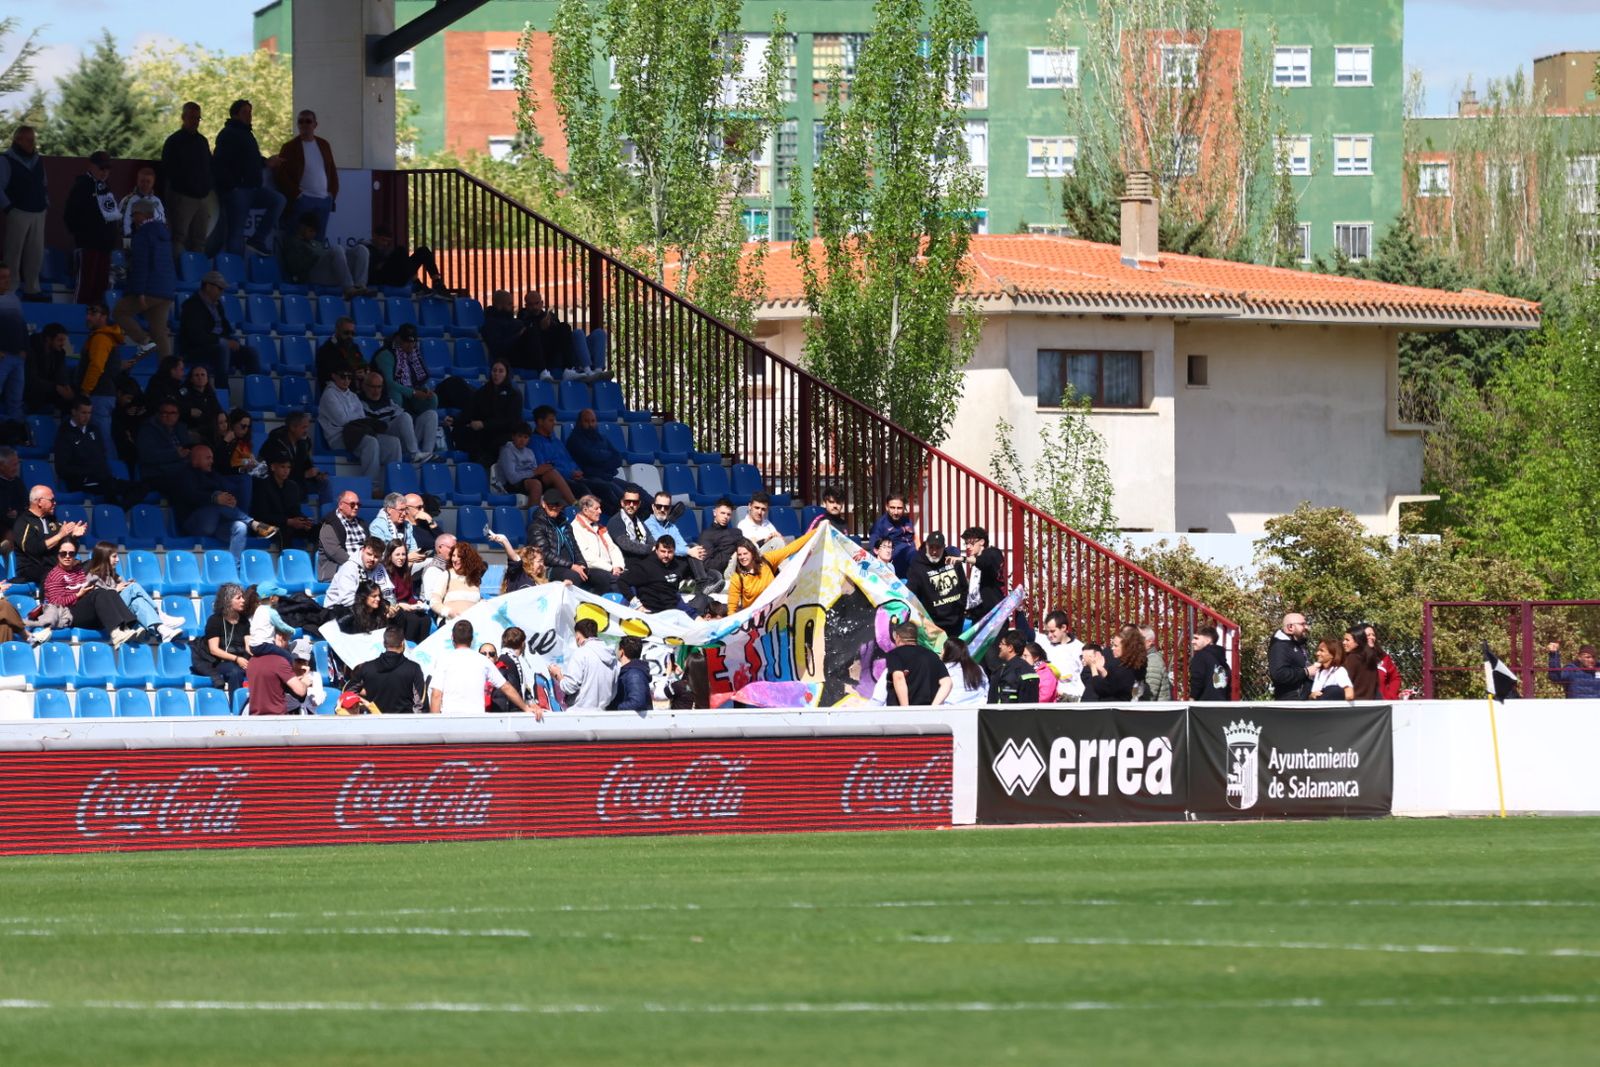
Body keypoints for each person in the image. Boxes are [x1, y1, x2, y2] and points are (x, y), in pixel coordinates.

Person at [170, 444, 276, 557]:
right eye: (208, 458)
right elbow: (190, 495)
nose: (212, 461)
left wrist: (230, 500)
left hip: (217, 524)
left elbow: (224, 490)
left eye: (212, 458)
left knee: (240, 527)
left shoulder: (212, 474)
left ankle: (235, 567)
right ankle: (252, 522)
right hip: (194, 523)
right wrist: (214, 498)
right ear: (196, 459)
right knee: (217, 505)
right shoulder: (184, 474)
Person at [211, 99, 285, 257]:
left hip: (252, 188)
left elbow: (252, 159)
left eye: (250, 112)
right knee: (236, 233)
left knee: (278, 200)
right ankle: (234, 273)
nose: (249, 115)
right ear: (235, 114)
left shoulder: (247, 134)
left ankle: (258, 239)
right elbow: (219, 162)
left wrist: (266, 162)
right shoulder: (227, 134)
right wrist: (232, 187)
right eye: (245, 112)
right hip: (238, 191)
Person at [43, 539, 150, 647]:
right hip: (69, 614)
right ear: (57, 555)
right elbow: (55, 603)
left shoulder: (78, 570)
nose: (67, 556)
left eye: (71, 553)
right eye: (63, 553)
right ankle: (116, 633)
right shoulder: (54, 576)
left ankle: (129, 626)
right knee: (99, 593)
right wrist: (77, 595)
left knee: (109, 592)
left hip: (88, 614)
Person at [429, 619, 539, 716]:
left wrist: (435, 724)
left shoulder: (444, 660)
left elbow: (436, 695)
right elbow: (506, 687)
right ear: (472, 639)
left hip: (450, 719)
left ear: (452, 637)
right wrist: (526, 708)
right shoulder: (483, 661)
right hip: (477, 720)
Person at [84, 541, 185, 642]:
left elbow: (123, 593)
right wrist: (115, 590)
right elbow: (96, 601)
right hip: (105, 616)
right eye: (114, 557)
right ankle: (160, 616)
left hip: (120, 610)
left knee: (138, 601)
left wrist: (126, 584)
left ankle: (163, 631)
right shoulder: (92, 577)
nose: (118, 560)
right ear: (104, 557)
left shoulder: (113, 576)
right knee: (134, 587)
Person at [318, 368, 399, 494]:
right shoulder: (328, 395)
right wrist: (355, 419)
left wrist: (355, 420)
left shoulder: (352, 395)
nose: (346, 380)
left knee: (393, 443)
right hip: (338, 437)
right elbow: (342, 420)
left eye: (349, 377)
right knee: (370, 443)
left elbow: (360, 418)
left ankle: (394, 487)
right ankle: (372, 487)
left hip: (357, 432)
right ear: (334, 376)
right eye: (343, 376)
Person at [178, 271, 261, 392]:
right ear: (208, 286)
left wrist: (230, 340)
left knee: (251, 352)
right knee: (223, 348)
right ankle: (222, 391)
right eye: (219, 288)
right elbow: (196, 336)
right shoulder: (192, 305)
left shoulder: (217, 305)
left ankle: (255, 392)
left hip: (217, 347)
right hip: (197, 349)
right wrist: (222, 341)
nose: (222, 292)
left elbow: (225, 328)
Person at [55, 398, 145, 509]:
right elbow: (61, 468)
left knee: (140, 487)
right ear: (74, 412)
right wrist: (87, 472)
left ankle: (120, 511)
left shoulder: (93, 429)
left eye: (89, 413)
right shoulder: (65, 433)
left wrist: (101, 472)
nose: (87, 416)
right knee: (110, 489)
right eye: (83, 412)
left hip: (102, 478)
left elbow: (101, 455)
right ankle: (115, 514)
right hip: (82, 481)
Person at [76, 301, 136, 454]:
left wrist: (86, 390)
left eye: (93, 314)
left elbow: (96, 366)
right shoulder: (106, 337)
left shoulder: (100, 338)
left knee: (101, 439)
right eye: (87, 314)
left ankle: (112, 472)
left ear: (104, 317)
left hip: (98, 395)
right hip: (105, 394)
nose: (88, 317)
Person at [529, 405, 616, 511]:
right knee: (584, 490)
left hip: (575, 477)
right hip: (559, 481)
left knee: (603, 487)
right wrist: (570, 473)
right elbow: (544, 467)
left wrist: (577, 470)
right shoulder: (534, 442)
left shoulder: (556, 440)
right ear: (540, 422)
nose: (555, 423)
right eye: (550, 420)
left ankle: (617, 515)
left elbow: (569, 459)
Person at [64, 150, 121, 305]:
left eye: (107, 169)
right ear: (91, 166)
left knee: (101, 286)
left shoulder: (105, 187)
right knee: (85, 285)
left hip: (105, 245)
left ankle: (97, 320)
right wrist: (83, 236)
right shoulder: (82, 185)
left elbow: (111, 214)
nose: (104, 172)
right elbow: (70, 214)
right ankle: (79, 317)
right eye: (101, 168)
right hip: (88, 245)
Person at [0, 126, 48, 300]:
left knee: (36, 253)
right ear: (17, 140)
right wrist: (8, 208)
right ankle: (9, 288)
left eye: (33, 140)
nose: (32, 143)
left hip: (38, 211)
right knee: (13, 252)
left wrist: (45, 203)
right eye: (28, 140)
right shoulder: (5, 159)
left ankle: (32, 288)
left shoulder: (38, 160)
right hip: (18, 211)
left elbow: (44, 183)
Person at [160, 102, 213, 257]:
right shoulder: (173, 141)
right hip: (182, 197)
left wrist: (207, 186)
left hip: (202, 197)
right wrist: (184, 188)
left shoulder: (202, 141)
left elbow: (209, 165)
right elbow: (169, 169)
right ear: (183, 117)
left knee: (200, 239)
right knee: (179, 237)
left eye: (198, 118)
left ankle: (195, 275)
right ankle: (177, 275)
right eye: (192, 117)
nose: (195, 121)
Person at [275, 109, 339, 238]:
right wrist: (297, 194)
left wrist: (331, 194)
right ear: (298, 124)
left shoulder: (324, 144)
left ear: (315, 124)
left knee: (319, 240)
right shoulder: (289, 147)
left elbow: (331, 170)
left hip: (323, 200)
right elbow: (280, 173)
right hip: (302, 200)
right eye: (301, 121)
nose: (304, 124)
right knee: (294, 237)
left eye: (308, 121)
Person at [523, 489, 598, 589]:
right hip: (549, 568)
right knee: (574, 576)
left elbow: (575, 548)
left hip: (570, 566)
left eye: (558, 505)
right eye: (551, 505)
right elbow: (544, 554)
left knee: (604, 577)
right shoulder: (536, 526)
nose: (554, 508)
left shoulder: (565, 524)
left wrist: (581, 564)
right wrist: (571, 566)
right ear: (543, 504)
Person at [343, 625, 427, 714]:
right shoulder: (414, 668)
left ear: (384, 644)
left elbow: (347, 693)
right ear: (402, 644)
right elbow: (420, 704)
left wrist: (365, 705)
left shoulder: (367, 668)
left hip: (375, 723)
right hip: (404, 724)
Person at [13, 485, 87, 585]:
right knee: (54, 575)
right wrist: (60, 535)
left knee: (93, 567)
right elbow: (33, 549)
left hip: (56, 566)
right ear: (39, 502)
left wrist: (73, 537)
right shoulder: (23, 523)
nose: (55, 503)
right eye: (52, 500)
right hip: (33, 568)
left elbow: (65, 549)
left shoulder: (52, 520)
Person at [360, 370, 437, 465]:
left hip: (404, 441)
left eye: (379, 387)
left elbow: (404, 417)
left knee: (431, 414)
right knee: (404, 417)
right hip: (383, 440)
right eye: (373, 387)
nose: (376, 391)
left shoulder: (387, 401)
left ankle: (427, 455)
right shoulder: (359, 402)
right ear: (364, 386)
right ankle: (414, 454)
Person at [280, 212, 368, 294]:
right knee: (336, 248)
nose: (313, 234)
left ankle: (360, 285)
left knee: (361, 249)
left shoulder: (317, 243)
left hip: (330, 273)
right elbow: (294, 268)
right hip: (311, 275)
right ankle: (349, 288)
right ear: (302, 227)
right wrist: (313, 257)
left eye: (315, 231)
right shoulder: (292, 243)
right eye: (311, 231)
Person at [455, 359, 521, 466]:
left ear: (507, 374)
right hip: (484, 431)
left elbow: (512, 422)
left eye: (501, 371)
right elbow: (470, 410)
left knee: (498, 442)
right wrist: (454, 420)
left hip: (504, 433)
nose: (497, 374)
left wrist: (484, 424)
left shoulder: (514, 394)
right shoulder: (483, 391)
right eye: (494, 371)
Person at [621, 536, 705, 615]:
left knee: (702, 598)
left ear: (674, 551)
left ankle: (702, 586)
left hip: (673, 604)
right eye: (663, 551)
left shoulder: (676, 565)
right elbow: (622, 581)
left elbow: (675, 590)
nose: (666, 555)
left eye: (670, 552)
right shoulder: (646, 567)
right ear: (656, 550)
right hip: (653, 611)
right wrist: (637, 605)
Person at [905, 532, 967, 637]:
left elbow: (963, 586)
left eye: (938, 548)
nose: (934, 551)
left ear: (943, 547)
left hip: (956, 621)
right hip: (934, 625)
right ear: (926, 546)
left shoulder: (952, 560)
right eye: (931, 547)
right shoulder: (917, 565)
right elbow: (912, 595)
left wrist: (962, 607)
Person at [191, 584, 251, 690]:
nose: (243, 600)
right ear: (227, 601)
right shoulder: (215, 620)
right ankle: (237, 705)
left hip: (240, 660)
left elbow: (248, 646)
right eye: (238, 598)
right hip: (219, 662)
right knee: (235, 671)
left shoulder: (244, 621)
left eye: (243, 597)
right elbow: (214, 650)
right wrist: (237, 659)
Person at [643, 491, 711, 584]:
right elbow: (663, 546)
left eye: (666, 507)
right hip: (661, 563)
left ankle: (693, 581)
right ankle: (702, 582)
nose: (662, 510)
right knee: (691, 548)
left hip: (673, 560)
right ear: (653, 507)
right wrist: (689, 551)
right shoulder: (649, 524)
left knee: (715, 574)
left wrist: (693, 551)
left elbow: (682, 544)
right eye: (659, 506)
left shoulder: (671, 526)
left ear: (670, 509)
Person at [260, 411, 329, 501]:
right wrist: (304, 475)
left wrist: (317, 475)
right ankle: (295, 512)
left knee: (324, 482)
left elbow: (307, 465)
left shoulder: (304, 442)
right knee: (294, 486)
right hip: (276, 483)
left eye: (307, 427)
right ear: (292, 427)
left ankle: (326, 512)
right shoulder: (276, 442)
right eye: (304, 427)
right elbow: (277, 472)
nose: (306, 431)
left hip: (298, 480)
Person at [370, 324, 436, 416]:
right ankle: (395, 422)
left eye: (413, 342)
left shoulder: (414, 353)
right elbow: (388, 383)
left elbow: (418, 379)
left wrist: (425, 390)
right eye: (407, 341)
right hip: (385, 393)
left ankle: (423, 426)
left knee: (432, 398)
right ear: (399, 339)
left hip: (408, 393)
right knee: (395, 394)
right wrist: (413, 393)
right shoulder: (386, 354)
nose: (410, 345)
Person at [884, 622, 951, 707]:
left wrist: (905, 709)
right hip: (928, 714)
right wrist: (934, 707)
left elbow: (899, 678)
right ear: (915, 637)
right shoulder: (932, 655)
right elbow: (947, 682)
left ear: (897, 637)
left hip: (901, 715)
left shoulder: (895, 654)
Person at [569, 494, 625, 594]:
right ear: (585, 510)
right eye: (596, 508)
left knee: (633, 575)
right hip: (591, 568)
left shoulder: (599, 526)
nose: (600, 511)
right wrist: (611, 568)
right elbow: (586, 557)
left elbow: (613, 548)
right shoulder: (575, 528)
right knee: (614, 580)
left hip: (610, 567)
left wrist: (618, 566)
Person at [244, 631, 309, 715]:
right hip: (276, 717)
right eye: (287, 640)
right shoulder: (280, 661)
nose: (287, 645)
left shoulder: (252, 661)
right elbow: (301, 691)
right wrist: (304, 682)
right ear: (280, 637)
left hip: (255, 716)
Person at [364, 224, 445, 291]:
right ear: (374, 236)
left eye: (387, 241)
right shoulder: (366, 249)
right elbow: (374, 269)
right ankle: (416, 282)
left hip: (398, 274)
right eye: (383, 240)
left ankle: (437, 282)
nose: (385, 243)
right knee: (400, 250)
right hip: (382, 278)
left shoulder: (386, 250)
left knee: (423, 251)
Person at [565, 408, 627, 492]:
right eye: (586, 421)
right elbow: (591, 457)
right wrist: (607, 455)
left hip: (607, 477)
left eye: (593, 421)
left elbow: (618, 458)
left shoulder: (602, 438)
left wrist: (600, 463)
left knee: (634, 488)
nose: (590, 424)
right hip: (588, 479)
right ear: (580, 423)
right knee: (620, 493)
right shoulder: (574, 440)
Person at [315, 488, 369, 582]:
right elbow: (335, 553)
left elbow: (370, 545)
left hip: (364, 567)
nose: (356, 507)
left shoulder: (362, 524)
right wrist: (357, 565)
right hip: (337, 570)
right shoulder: (329, 525)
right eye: (352, 504)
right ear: (341, 505)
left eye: (358, 504)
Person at [325, 536, 389, 612]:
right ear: (362, 550)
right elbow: (347, 600)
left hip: (368, 607)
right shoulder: (349, 568)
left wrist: (389, 606)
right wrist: (375, 606)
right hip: (338, 609)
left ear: (381, 557)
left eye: (376, 556)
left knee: (399, 615)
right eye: (369, 554)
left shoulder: (380, 568)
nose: (372, 559)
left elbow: (387, 591)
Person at [429, 539, 487, 621]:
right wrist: (449, 612)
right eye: (453, 555)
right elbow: (434, 602)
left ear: (468, 559)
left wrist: (482, 603)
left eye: (459, 556)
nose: (455, 559)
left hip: (472, 623)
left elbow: (473, 600)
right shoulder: (446, 575)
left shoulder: (474, 578)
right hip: (450, 623)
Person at [25, 322, 74, 417]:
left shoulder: (59, 353)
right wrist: (56, 387)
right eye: (60, 340)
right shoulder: (31, 351)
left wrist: (66, 386)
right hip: (31, 392)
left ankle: (70, 429)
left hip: (49, 390)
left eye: (64, 340)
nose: (62, 344)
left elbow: (61, 374)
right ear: (48, 339)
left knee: (75, 398)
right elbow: (31, 380)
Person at [490, 627, 543, 713]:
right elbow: (512, 689)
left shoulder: (508, 658)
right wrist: (525, 707)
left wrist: (531, 703)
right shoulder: (507, 660)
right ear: (522, 644)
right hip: (510, 715)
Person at [960, 527, 1006, 626]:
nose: (968, 547)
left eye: (971, 543)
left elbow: (985, 562)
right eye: (966, 543)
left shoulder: (992, 553)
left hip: (993, 615)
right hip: (977, 615)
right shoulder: (975, 562)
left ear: (981, 541)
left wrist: (963, 559)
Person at [1268, 612, 1314, 701]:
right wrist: (1306, 672)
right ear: (1290, 627)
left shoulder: (1297, 644)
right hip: (1291, 702)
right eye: (1302, 624)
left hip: (1302, 699)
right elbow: (1279, 674)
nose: (1306, 627)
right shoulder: (1279, 646)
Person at [869, 493, 917, 577]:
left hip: (913, 556)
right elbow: (874, 550)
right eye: (892, 508)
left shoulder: (907, 520)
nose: (896, 512)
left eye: (899, 508)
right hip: (896, 561)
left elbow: (916, 538)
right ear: (887, 507)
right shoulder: (880, 525)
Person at [1040, 611, 1083, 702]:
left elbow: (1085, 675)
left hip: (1072, 699)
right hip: (1051, 700)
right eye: (1047, 632)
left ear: (1063, 627)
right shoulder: (1045, 644)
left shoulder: (1078, 648)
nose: (1049, 635)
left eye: (1052, 631)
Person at [246, 580, 296, 657]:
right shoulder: (271, 612)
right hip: (264, 645)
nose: (279, 598)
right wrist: (292, 631)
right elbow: (282, 626)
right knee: (287, 656)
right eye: (277, 596)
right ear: (272, 598)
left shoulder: (259, 610)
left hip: (254, 646)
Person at [987, 630, 1040, 704]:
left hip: (1005, 714)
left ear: (1010, 648)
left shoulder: (1004, 671)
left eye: (1002, 644)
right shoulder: (1029, 669)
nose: (999, 646)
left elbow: (992, 701)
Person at [728, 539, 779, 613]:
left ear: (752, 553)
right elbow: (732, 607)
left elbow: (790, 549)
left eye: (745, 553)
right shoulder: (737, 577)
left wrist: (803, 539)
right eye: (739, 555)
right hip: (753, 617)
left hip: (774, 609)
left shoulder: (766, 561)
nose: (742, 557)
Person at [315, 317, 367, 391]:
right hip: (334, 392)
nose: (350, 336)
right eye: (346, 333)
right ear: (337, 331)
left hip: (353, 391)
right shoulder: (325, 350)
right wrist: (354, 373)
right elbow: (330, 375)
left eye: (352, 333)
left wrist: (363, 372)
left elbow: (362, 366)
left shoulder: (354, 347)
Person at [607, 486, 655, 564]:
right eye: (628, 502)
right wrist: (651, 549)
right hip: (626, 562)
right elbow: (626, 545)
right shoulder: (615, 521)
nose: (631, 505)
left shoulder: (640, 522)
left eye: (635, 502)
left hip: (643, 559)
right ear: (622, 503)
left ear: (639, 504)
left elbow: (650, 539)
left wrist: (657, 548)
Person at [177, 364, 225, 441]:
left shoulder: (210, 393)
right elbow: (178, 409)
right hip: (192, 429)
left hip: (209, 428)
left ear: (207, 378)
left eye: (203, 375)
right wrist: (188, 412)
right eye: (196, 375)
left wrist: (221, 414)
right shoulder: (184, 393)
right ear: (191, 379)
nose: (200, 377)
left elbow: (217, 409)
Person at [369, 492, 422, 560]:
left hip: (408, 564)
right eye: (401, 510)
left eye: (405, 510)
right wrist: (406, 558)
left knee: (429, 562)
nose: (404, 514)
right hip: (387, 566)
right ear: (389, 510)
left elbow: (413, 548)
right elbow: (381, 554)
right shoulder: (377, 526)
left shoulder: (407, 525)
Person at [117, 167, 166, 239]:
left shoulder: (157, 201)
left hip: (153, 242)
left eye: (148, 181)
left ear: (153, 182)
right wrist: (127, 245)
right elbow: (123, 224)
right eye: (142, 181)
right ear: (137, 181)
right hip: (135, 241)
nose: (145, 184)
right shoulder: (129, 200)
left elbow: (163, 221)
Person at [607, 635, 651, 712]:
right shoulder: (632, 671)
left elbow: (637, 702)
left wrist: (612, 707)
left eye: (618, 648)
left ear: (621, 652)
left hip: (632, 722)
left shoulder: (634, 673)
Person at [699, 499, 742, 576]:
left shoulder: (736, 532)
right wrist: (731, 552)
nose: (725, 517)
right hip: (725, 571)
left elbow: (748, 547)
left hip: (743, 563)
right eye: (722, 513)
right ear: (714, 512)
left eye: (728, 514)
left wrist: (764, 541)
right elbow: (707, 565)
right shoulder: (707, 535)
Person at [0, 264, 21, 422]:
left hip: (17, 357)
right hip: (2, 357)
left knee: (15, 400)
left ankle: (10, 437)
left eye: (8, 277)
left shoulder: (14, 299)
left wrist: (24, 349)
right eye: (2, 277)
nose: (6, 281)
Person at [1188, 626, 1231, 701]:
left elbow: (1197, 679)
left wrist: (1192, 698)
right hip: (1222, 704)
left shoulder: (1201, 656)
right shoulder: (1221, 658)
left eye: (1196, 638)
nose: (1192, 641)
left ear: (1208, 640)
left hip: (1204, 705)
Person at [941, 636, 987, 707]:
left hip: (951, 710)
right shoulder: (978, 668)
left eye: (943, 649)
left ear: (948, 652)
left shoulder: (945, 668)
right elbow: (986, 689)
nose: (941, 652)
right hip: (978, 709)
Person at [286, 639, 327, 715]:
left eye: (304, 660)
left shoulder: (315, 676)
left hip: (309, 717)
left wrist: (306, 677)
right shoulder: (286, 676)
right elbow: (287, 702)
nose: (301, 663)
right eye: (298, 660)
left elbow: (316, 701)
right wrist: (301, 683)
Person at [415, 532, 456, 605]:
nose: (455, 551)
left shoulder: (452, 566)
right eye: (452, 548)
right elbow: (430, 598)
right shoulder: (433, 569)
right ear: (440, 548)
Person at [1365, 623, 1403, 700]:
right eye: (1368, 635)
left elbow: (1395, 678)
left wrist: (1389, 695)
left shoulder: (1383, 657)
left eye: (1373, 635)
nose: (1372, 637)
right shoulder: (1353, 658)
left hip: (1383, 704)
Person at [1341, 627, 1379, 700]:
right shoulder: (1371, 658)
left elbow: (1344, 684)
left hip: (1353, 703)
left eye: (1347, 640)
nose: (1344, 642)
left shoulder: (1352, 658)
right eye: (1344, 639)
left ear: (1357, 642)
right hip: (1370, 703)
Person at [1139, 624, 1172, 701]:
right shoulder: (1146, 659)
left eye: (1139, 638)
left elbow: (1149, 695)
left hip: (1155, 711)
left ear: (1149, 642)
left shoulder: (1152, 661)